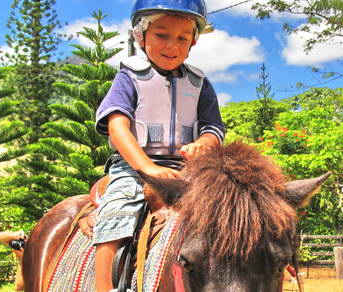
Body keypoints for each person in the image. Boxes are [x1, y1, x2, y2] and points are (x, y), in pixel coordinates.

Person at [93, 0, 225, 290]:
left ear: (193, 41)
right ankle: (102, 285)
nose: (172, 45)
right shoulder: (130, 76)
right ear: (141, 36)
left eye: (182, 37)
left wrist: (204, 143)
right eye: (162, 35)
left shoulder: (200, 83)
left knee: (229, 209)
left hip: (187, 170)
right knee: (119, 210)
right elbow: (117, 125)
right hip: (134, 168)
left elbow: (214, 128)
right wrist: (147, 166)